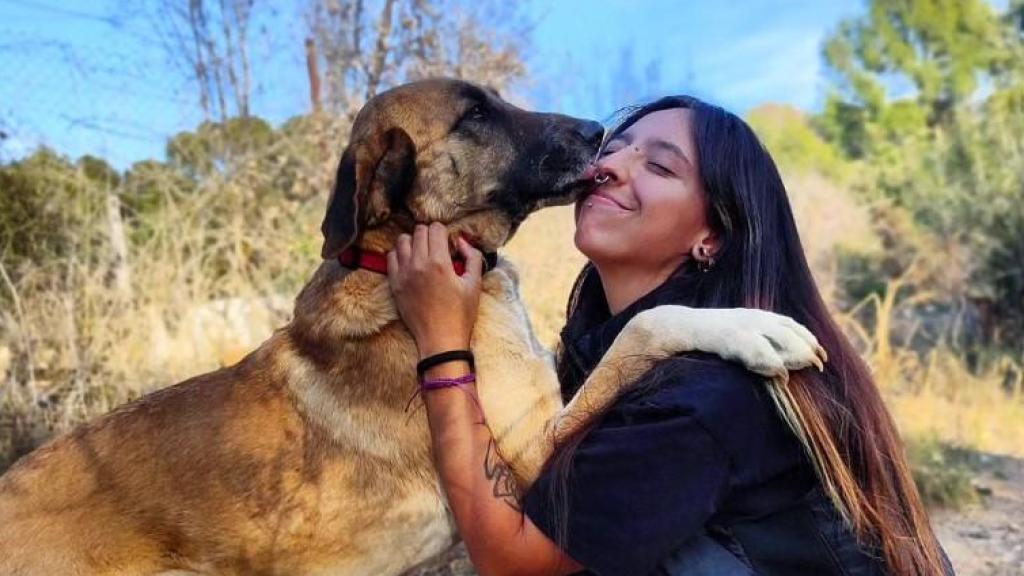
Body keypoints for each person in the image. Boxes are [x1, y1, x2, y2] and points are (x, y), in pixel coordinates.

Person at [386, 96, 951, 575]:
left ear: (712, 237)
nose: (607, 166)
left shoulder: (708, 391)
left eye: (660, 167)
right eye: (613, 148)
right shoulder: (601, 351)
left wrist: (443, 344)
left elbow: (514, 562)